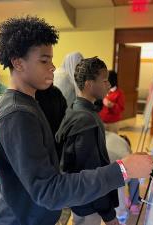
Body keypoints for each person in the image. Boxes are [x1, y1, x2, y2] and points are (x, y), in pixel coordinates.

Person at [0, 16, 153, 225]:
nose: (52, 66)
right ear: (17, 62)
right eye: (44, 60)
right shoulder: (17, 114)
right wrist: (123, 169)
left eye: (51, 59)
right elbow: (48, 190)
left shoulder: (29, 102)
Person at [56, 57, 119, 225]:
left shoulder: (75, 108)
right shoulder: (86, 121)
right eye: (104, 81)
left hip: (79, 198)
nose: (108, 85)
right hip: (89, 203)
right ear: (89, 84)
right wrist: (109, 214)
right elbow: (92, 175)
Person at [35, 85, 67, 160]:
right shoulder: (30, 97)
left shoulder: (56, 92)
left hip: (58, 150)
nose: (52, 73)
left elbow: (65, 118)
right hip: (42, 152)